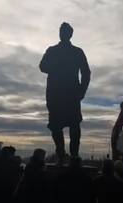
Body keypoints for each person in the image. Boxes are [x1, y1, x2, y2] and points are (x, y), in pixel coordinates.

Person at [39, 22, 91, 164]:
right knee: (56, 126)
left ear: (70, 34)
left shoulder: (77, 51)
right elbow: (42, 66)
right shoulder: (52, 50)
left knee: (74, 124)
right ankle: (61, 154)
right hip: (55, 94)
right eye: (61, 31)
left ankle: (74, 155)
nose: (62, 34)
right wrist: (56, 66)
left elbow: (86, 72)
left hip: (71, 94)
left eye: (65, 32)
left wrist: (82, 90)